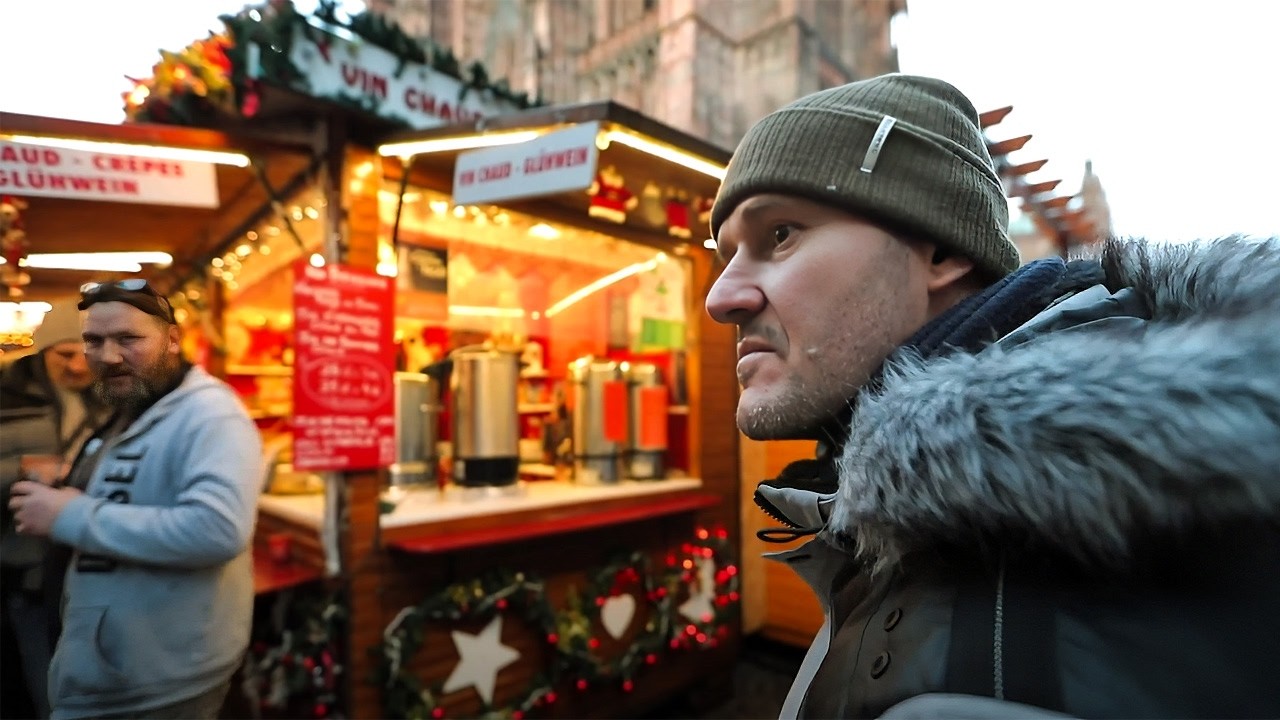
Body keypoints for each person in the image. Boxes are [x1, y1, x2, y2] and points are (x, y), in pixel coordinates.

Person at [705, 73, 1280, 718]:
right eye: (722, 254)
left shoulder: (1187, 533)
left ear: (943, 250)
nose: (720, 298)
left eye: (780, 234)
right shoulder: (882, 507)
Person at [8, 279, 263, 720]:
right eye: (95, 340)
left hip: (160, 682)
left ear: (172, 341)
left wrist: (70, 515)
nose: (107, 356)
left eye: (129, 339)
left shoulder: (210, 414)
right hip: (114, 670)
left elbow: (216, 530)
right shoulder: (135, 407)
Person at [1, 301, 108, 719]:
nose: (79, 365)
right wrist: (23, 469)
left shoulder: (112, 396)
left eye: (86, 353)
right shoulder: (7, 392)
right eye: (65, 354)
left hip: (88, 556)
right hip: (20, 561)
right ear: (42, 350)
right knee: (41, 677)